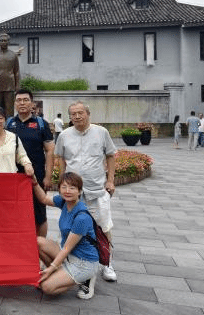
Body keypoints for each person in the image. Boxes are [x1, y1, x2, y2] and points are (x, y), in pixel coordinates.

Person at [55, 101, 117, 293]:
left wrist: (110, 180)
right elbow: (60, 159)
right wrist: (61, 183)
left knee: (104, 227)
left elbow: (111, 155)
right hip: (74, 193)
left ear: (88, 114)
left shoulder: (101, 132)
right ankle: (73, 260)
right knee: (71, 227)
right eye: (73, 114)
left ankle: (107, 264)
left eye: (80, 112)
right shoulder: (64, 135)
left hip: (97, 189)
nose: (77, 116)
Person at [33, 172, 99, 299]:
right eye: (64, 187)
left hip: (83, 262)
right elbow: (44, 199)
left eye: (72, 188)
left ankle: (85, 278)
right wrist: (34, 181)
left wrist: (51, 269)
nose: (67, 191)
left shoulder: (82, 217)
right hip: (68, 256)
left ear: (79, 191)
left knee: (46, 287)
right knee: (38, 242)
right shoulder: (64, 202)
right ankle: (61, 273)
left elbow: (67, 248)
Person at [6, 89, 54, 237]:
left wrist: (48, 177)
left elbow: (50, 151)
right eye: (19, 100)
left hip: (36, 177)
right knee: (14, 213)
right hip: (13, 177)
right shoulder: (8, 123)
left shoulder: (41, 124)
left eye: (25, 100)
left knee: (40, 214)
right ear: (15, 103)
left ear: (32, 103)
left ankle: (40, 246)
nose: (22, 103)